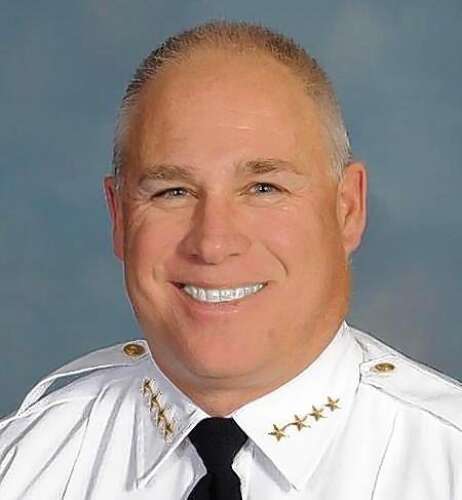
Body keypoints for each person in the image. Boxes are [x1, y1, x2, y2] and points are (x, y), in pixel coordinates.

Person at [0, 20, 461, 500]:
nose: (213, 243)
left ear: (348, 208)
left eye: (263, 188)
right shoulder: (23, 466)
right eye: (173, 191)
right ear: (119, 217)